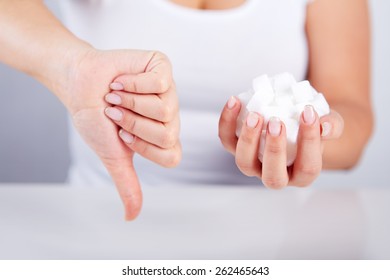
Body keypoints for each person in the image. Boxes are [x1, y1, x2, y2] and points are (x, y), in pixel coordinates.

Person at [0, 0, 373, 220]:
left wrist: (305, 142)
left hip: (271, 243)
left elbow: (351, 112)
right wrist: (72, 67)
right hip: (103, 226)